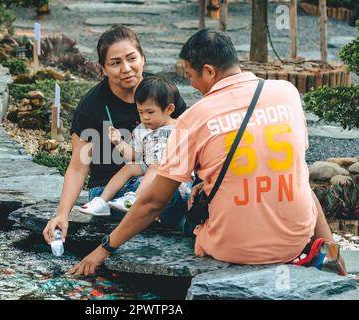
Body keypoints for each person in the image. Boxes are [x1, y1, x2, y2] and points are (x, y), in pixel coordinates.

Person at [67, 30, 344, 276]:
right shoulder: (288, 93)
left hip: (233, 248)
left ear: (209, 72)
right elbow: (300, 177)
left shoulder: (195, 117)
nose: (192, 85)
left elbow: (152, 203)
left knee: (176, 201)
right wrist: (332, 250)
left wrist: (102, 250)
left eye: (190, 75)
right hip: (296, 241)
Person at [42, 25, 188, 244]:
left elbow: (190, 137)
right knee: (162, 194)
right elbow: (77, 167)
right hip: (110, 190)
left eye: (132, 58)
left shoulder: (160, 91)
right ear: (103, 68)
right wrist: (62, 214)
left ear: (143, 59)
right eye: (115, 63)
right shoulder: (92, 106)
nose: (126, 68)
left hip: (158, 174)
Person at [78, 76, 192, 216]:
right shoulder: (142, 129)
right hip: (149, 166)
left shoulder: (181, 127)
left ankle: (135, 198)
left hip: (174, 174)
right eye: (141, 112)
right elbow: (134, 155)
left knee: (155, 166)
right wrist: (118, 142)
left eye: (150, 112)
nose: (145, 117)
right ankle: (101, 201)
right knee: (130, 167)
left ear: (169, 109)